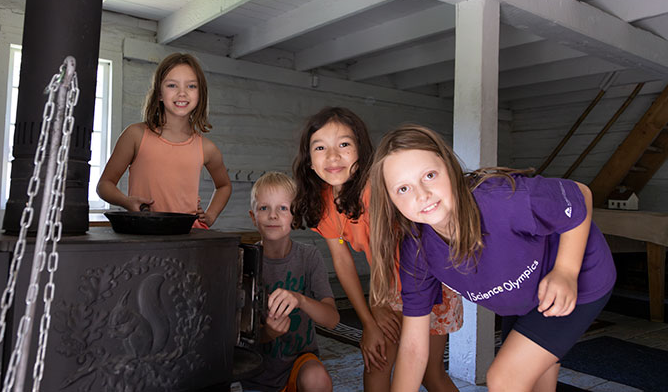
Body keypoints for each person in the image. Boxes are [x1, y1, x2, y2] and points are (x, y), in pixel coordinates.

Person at [369, 124, 617, 392]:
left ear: (449, 168)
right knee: (535, 382)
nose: (422, 194)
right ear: (390, 200)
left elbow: (579, 193)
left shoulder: (500, 199)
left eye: (429, 175)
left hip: (581, 278)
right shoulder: (417, 250)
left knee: (505, 379)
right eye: (403, 189)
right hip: (525, 300)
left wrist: (566, 271)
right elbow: (414, 346)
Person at [291, 107, 461, 392]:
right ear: (309, 160)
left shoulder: (376, 188)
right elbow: (342, 261)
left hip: (429, 280)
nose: (333, 156)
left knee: (429, 373)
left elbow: (388, 249)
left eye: (344, 144)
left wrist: (378, 304)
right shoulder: (323, 202)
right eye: (320, 147)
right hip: (389, 286)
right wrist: (368, 322)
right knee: (377, 361)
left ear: (362, 151)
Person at [97, 52, 231, 228]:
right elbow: (104, 185)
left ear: (200, 95)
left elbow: (224, 185)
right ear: (159, 94)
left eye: (191, 86)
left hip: (189, 237)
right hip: (145, 233)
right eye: (172, 85)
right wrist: (126, 201)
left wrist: (211, 215)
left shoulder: (207, 148)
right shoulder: (135, 135)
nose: (182, 93)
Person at [241, 171, 339, 392]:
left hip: (299, 364)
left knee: (317, 379)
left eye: (283, 208)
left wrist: (300, 300)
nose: (272, 215)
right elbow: (239, 339)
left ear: (295, 218)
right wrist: (269, 332)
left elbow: (332, 319)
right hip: (257, 375)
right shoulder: (244, 261)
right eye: (264, 208)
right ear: (252, 216)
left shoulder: (309, 257)